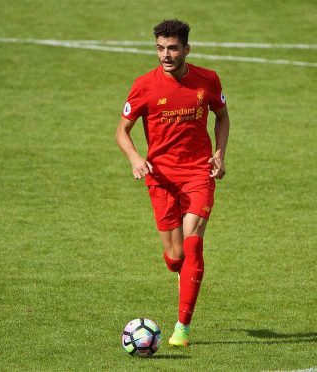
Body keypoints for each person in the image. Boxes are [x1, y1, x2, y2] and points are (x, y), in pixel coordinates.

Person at [115, 19, 230, 347]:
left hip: (198, 173)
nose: (165, 55)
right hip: (161, 178)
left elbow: (222, 117)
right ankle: (179, 266)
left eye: (173, 48)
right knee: (175, 256)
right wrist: (137, 159)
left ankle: (182, 328)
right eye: (160, 48)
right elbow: (121, 130)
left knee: (193, 241)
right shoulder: (144, 85)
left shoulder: (207, 80)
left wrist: (219, 154)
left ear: (186, 49)